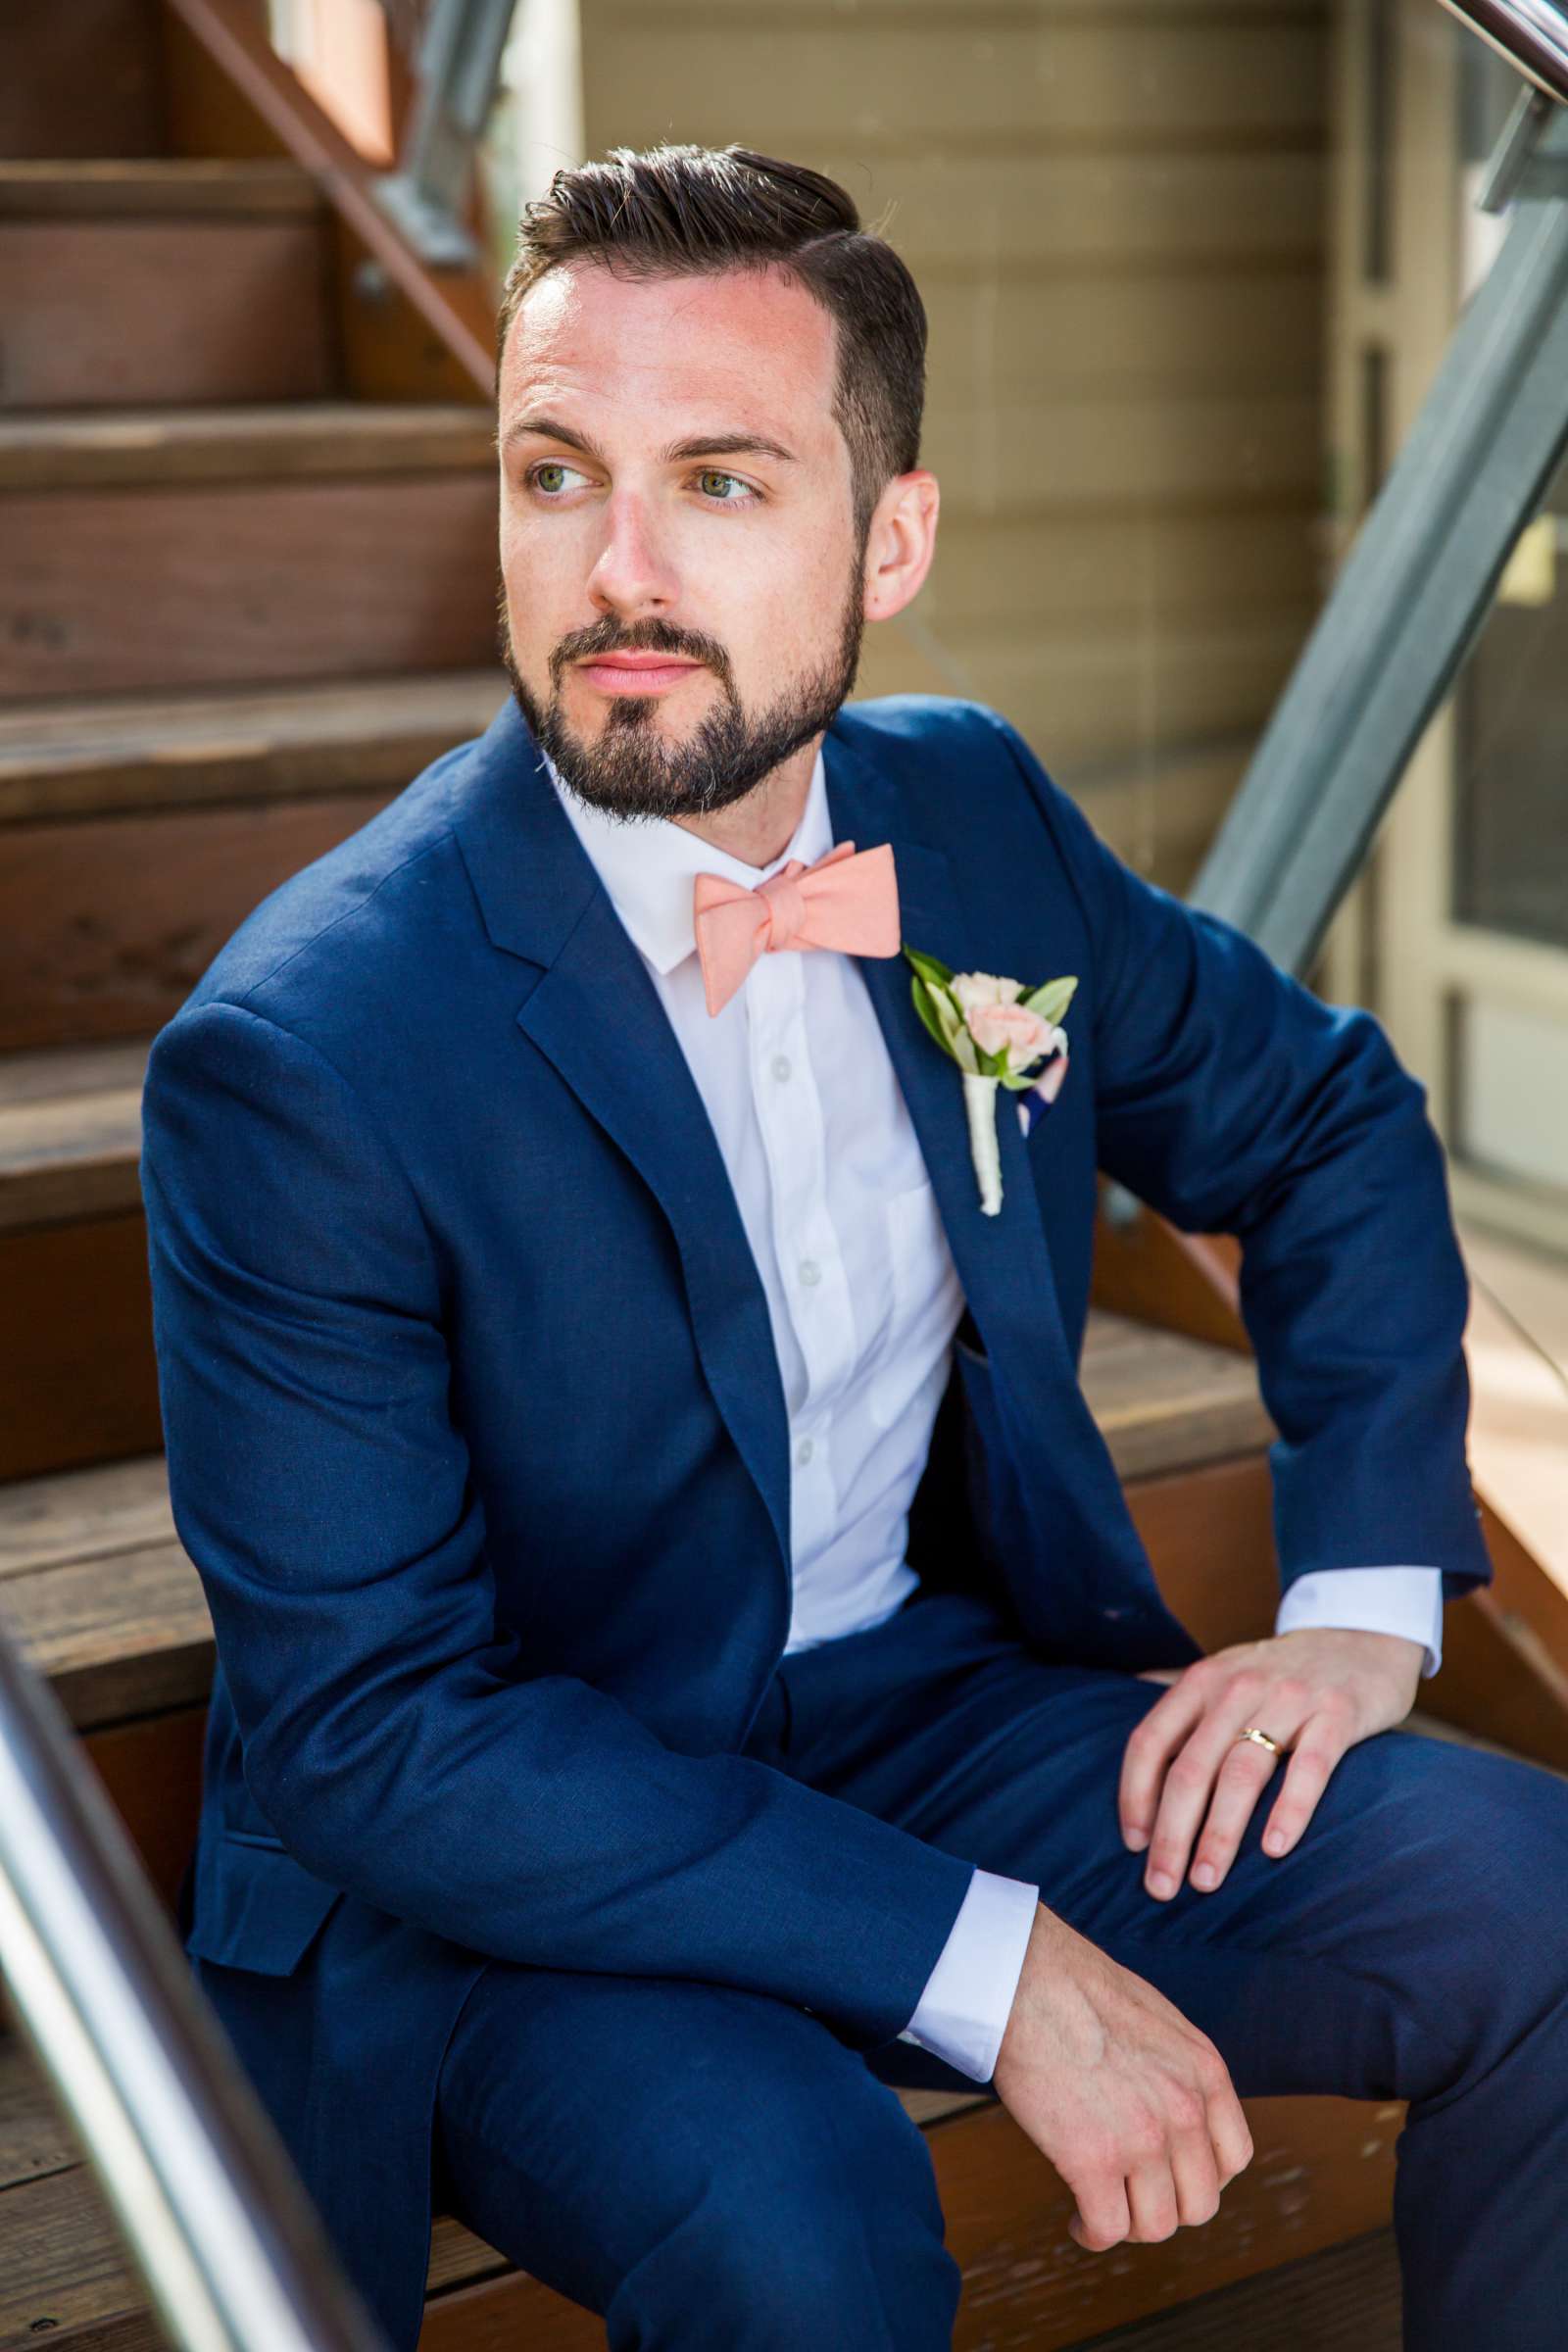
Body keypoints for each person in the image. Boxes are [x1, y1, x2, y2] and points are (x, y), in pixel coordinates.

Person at [139, 143, 1568, 2352]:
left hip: (915, 1700)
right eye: (551, 474)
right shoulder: (304, 1055)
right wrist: (986, 1962)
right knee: (801, 2224)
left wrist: (1359, 1610)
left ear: (884, 538)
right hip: (505, 1853)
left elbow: (1314, 1115)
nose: (613, 567)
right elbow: (377, 1736)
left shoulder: (966, 810)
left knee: (1528, 1898)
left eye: (719, 482)